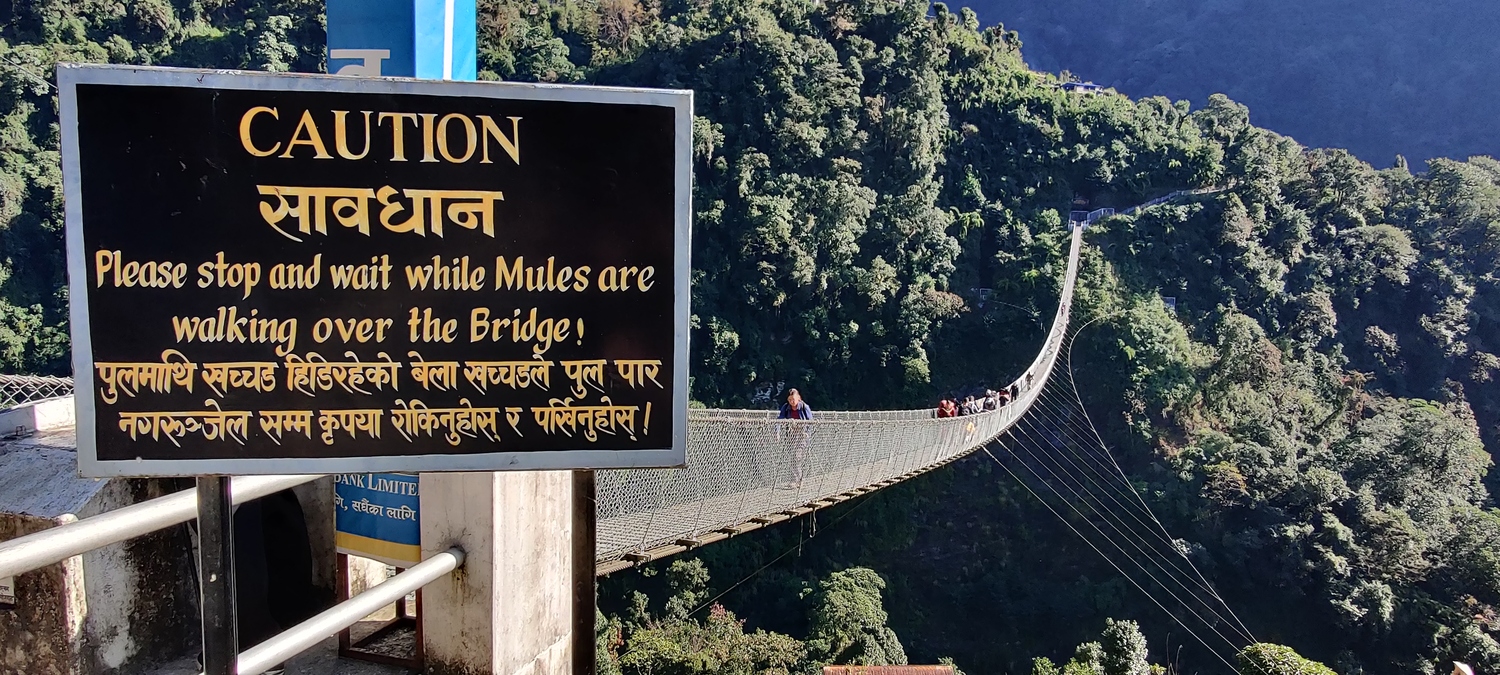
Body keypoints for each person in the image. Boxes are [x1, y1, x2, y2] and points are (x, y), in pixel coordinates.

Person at [777, 389, 812, 487]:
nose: (792, 402)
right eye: (790, 400)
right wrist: (777, 432)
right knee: (791, 458)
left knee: (797, 457)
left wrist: (807, 434)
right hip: (791, 436)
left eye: (794, 399)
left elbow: (811, 422)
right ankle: (796, 479)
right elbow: (779, 419)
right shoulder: (786, 407)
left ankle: (797, 480)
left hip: (802, 436)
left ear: (799, 398)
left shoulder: (804, 407)